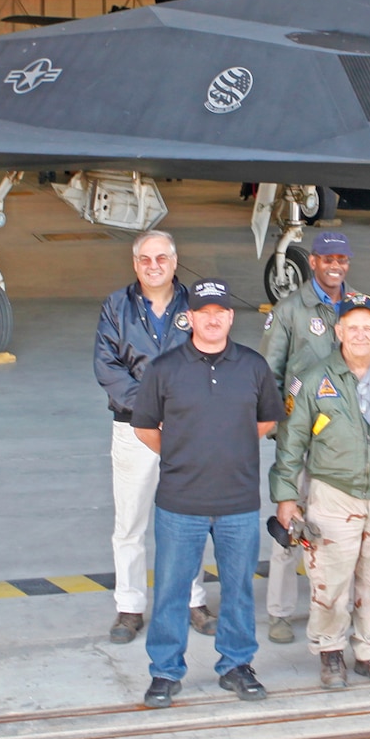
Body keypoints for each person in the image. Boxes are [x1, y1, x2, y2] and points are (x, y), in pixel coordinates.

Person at [132, 279, 284, 707]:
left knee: (237, 588)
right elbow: (144, 426)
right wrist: (184, 453)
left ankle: (236, 665)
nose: (213, 317)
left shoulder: (253, 366)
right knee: (171, 590)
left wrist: (228, 447)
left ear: (231, 317)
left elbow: (266, 421)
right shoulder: (165, 369)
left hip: (237, 502)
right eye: (204, 311)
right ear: (191, 318)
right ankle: (165, 671)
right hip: (181, 503)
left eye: (221, 310)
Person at [270, 293, 370, 689]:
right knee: (330, 580)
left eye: (367, 327)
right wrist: (287, 496)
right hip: (333, 492)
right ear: (338, 331)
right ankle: (330, 651)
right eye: (352, 327)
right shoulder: (312, 380)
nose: (360, 334)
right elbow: (291, 441)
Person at [93, 231, 211, 644]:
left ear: (175, 262)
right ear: (135, 264)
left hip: (188, 429)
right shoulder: (116, 306)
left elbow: (211, 354)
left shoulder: (196, 304)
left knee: (190, 518)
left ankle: (194, 599)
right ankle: (129, 607)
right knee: (130, 522)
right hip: (133, 429)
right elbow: (107, 366)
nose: (154, 265)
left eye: (162, 258)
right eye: (146, 259)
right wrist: (149, 411)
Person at [259, 228, 357, 644]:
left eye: (342, 260)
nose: (334, 266)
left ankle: (336, 607)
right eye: (327, 259)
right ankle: (280, 612)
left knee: (344, 529)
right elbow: (269, 372)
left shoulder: (358, 306)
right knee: (290, 522)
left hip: (347, 439)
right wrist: (278, 428)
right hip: (300, 435)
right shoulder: (290, 309)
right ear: (312, 262)